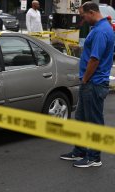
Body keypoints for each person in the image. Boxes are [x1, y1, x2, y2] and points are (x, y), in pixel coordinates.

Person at [60, 2, 114, 168]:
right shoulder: (99, 28)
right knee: (82, 118)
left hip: (94, 83)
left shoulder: (100, 31)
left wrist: (85, 79)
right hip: (90, 82)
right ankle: (80, 151)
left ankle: (94, 157)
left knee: (94, 121)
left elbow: (95, 59)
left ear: (92, 12)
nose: (82, 19)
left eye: (83, 15)